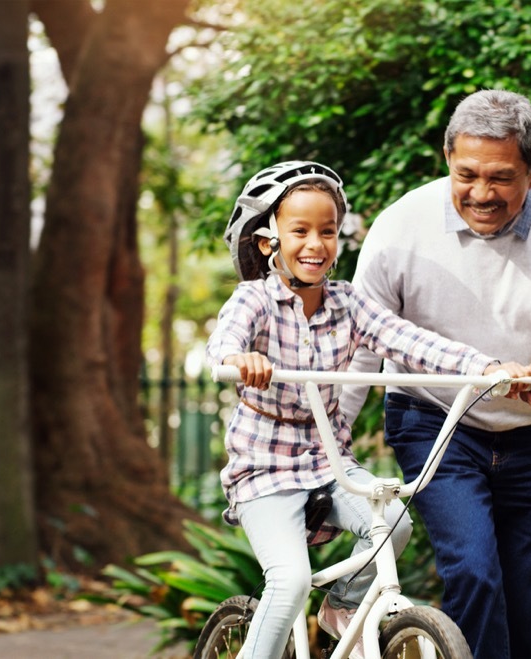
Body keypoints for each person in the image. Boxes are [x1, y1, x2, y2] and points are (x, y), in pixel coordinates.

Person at [340, 89, 531, 658]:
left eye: (502, 178)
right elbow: (363, 346)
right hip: (434, 419)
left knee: (527, 599)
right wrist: (332, 449)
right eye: (467, 174)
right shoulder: (400, 227)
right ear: (447, 158)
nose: (481, 194)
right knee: (473, 571)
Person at [207, 160, 510, 659]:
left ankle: (343, 605)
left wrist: (486, 367)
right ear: (268, 241)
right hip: (263, 470)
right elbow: (222, 345)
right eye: (299, 230)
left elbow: (407, 341)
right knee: (289, 581)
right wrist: (239, 359)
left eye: (327, 231)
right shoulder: (253, 301)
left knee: (396, 520)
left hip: (328, 465)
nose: (316, 244)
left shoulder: (348, 303)